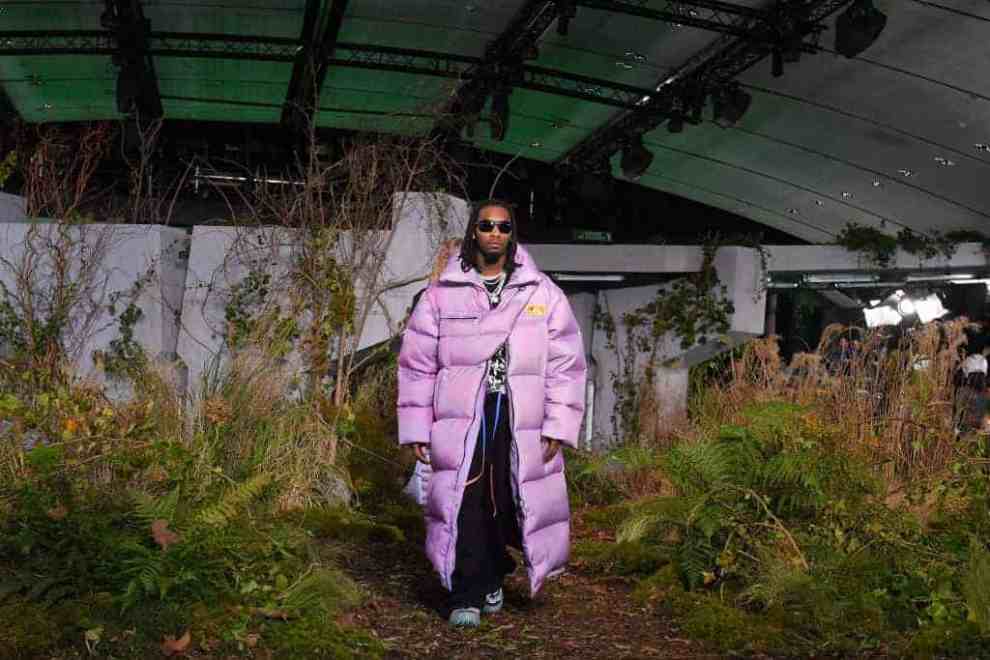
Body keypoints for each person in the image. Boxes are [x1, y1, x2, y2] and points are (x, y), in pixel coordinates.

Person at [396, 199, 587, 627]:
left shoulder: (543, 294)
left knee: (508, 497)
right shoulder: (441, 295)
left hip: (522, 416)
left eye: (503, 226)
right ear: (474, 232)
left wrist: (558, 423)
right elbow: (418, 365)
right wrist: (416, 429)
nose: (495, 233)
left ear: (512, 233)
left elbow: (566, 363)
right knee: (465, 498)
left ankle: (494, 571)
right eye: (486, 225)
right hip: (461, 415)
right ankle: (465, 592)